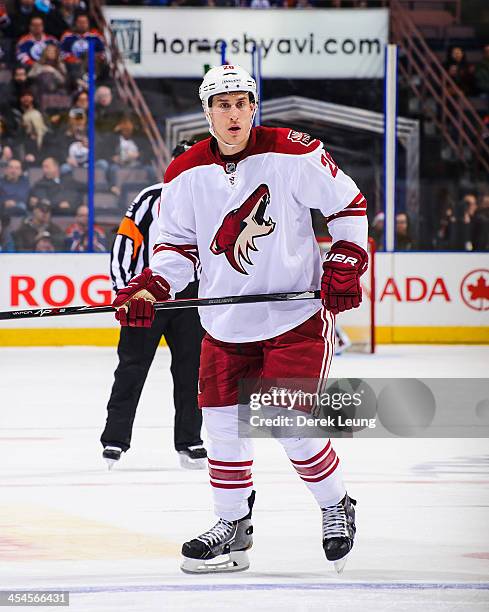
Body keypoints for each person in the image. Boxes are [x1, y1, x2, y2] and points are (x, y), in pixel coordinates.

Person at [112, 65, 368, 574]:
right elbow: (176, 248)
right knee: (223, 428)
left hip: (293, 315)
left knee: (287, 421)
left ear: (254, 107)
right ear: (206, 113)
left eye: (242, 103)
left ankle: (336, 504)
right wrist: (152, 284)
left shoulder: (295, 151)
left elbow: (349, 207)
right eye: (222, 105)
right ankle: (232, 525)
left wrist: (345, 259)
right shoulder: (184, 172)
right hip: (224, 322)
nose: (233, 113)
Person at [101, 141, 206, 470]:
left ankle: (190, 439)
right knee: (131, 369)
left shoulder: (214, 200)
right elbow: (125, 245)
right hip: (146, 296)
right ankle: (115, 440)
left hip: (192, 298)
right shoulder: (150, 198)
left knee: (193, 372)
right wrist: (124, 292)